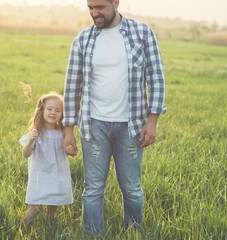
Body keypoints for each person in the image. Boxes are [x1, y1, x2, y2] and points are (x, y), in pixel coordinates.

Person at [62, 0, 166, 234]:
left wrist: (153, 121)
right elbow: (72, 88)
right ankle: (93, 235)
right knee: (93, 189)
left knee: (131, 188)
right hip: (93, 126)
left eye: (100, 7)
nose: (94, 13)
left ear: (116, 3)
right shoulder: (82, 39)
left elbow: (156, 79)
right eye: (90, 8)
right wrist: (68, 131)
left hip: (131, 126)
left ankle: (134, 232)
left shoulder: (142, 33)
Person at [19, 92, 75, 226]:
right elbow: (26, 154)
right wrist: (30, 141)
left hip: (57, 175)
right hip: (41, 176)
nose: (53, 113)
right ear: (41, 110)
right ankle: (22, 228)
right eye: (49, 109)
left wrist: (70, 150)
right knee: (35, 207)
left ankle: (49, 229)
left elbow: (69, 152)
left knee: (53, 206)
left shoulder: (62, 134)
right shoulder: (35, 133)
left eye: (58, 110)